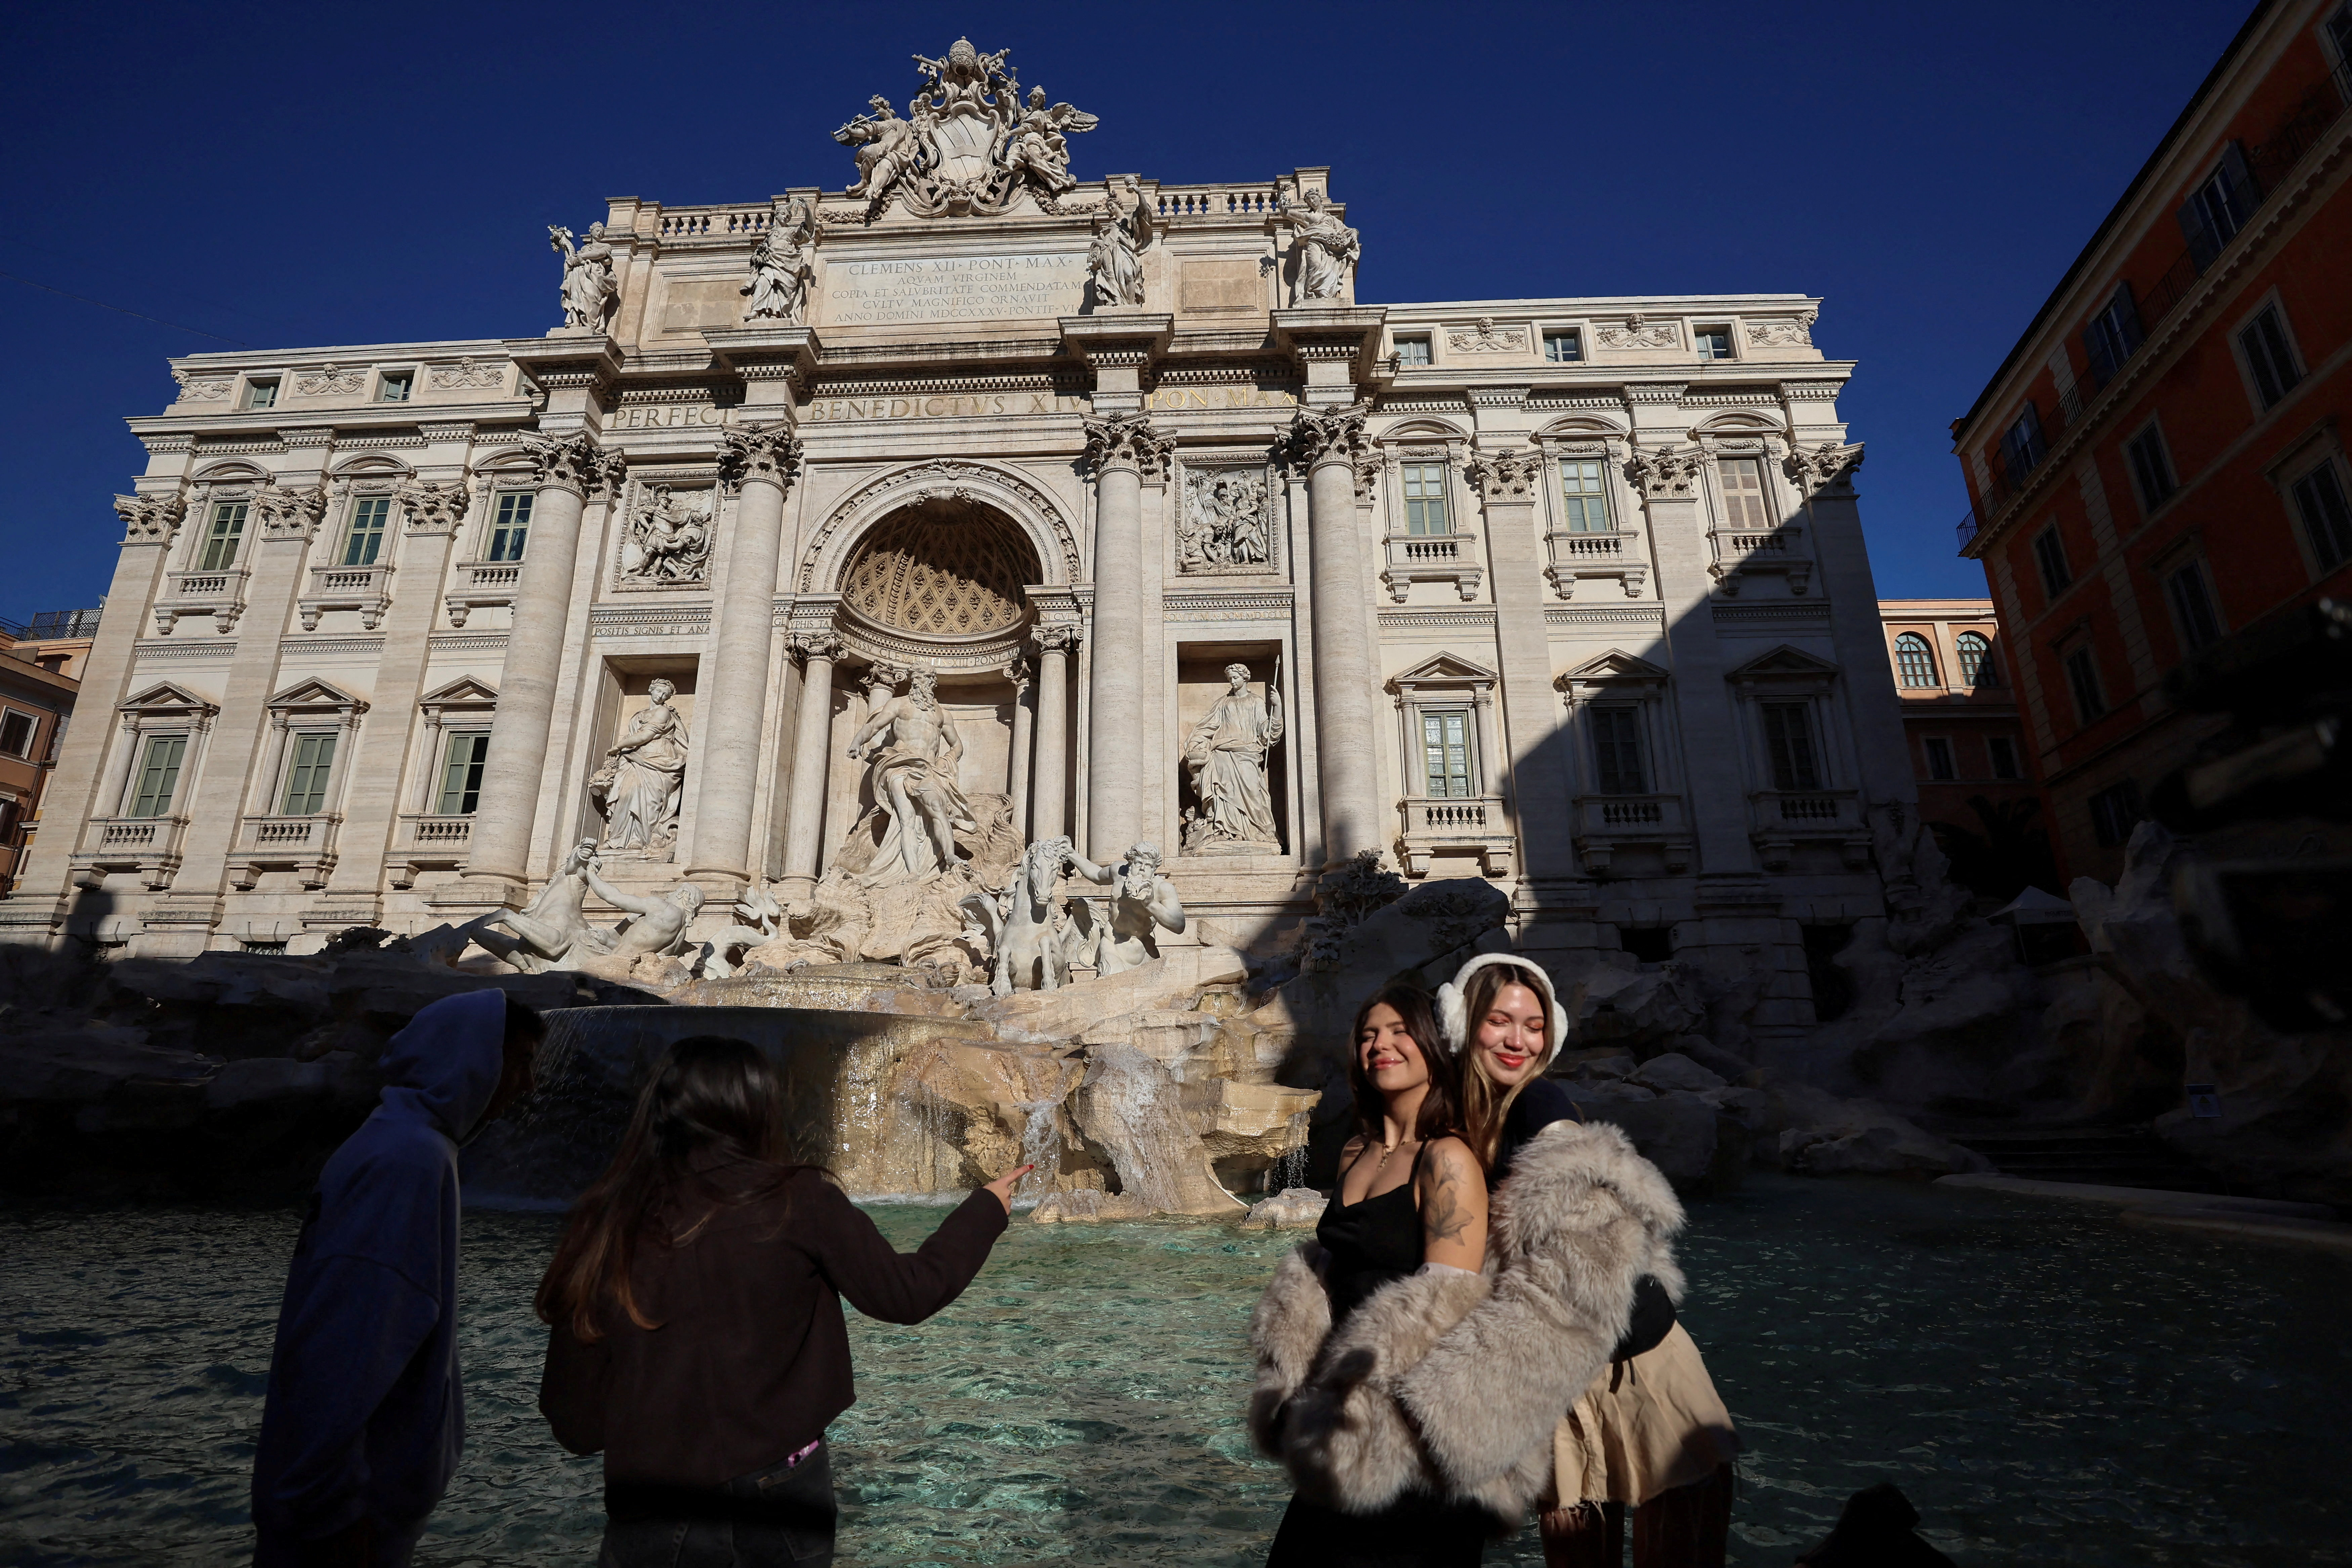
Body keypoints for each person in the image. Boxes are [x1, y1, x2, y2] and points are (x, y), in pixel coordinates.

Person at [535, 1036, 1029, 1567]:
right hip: (781, 1491)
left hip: (654, 1502)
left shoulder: (604, 1225)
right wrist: (984, 1211)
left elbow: (575, 1423)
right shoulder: (799, 1201)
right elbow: (906, 1294)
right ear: (758, 1110)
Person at [1437, 954, 1740, 1568]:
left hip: (1644, 1365)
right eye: (1500, 1021)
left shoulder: (1540, 1102)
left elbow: (1574, 1192)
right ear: (1464, 1024)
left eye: (1534, 1025)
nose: (1520, 1040)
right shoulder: (1465, 1123)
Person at [251, 990, 545, 1567]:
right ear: (472, 1060)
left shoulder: (406, 1143)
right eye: (520, 1064)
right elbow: (345, 1347)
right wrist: (332, 1511)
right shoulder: (406, 1159)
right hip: (342, 1528)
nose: (529, 1087)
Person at [1251, 985, 1493, 1567]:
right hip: (1341, 1414)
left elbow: (1449, 1309)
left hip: (1410, 1430)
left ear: (1432, 1046)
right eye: (1367, 1036)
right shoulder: (1355, 1151)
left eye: (1398, 1032)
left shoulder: (1448, 1158)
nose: (1380, 1045)